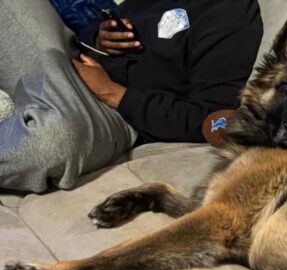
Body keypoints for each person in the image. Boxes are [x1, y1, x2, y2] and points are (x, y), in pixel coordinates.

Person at [0, 0, 263, 192]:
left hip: (112, 115)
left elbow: (210, 119)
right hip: (66, 59)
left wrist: (115, 94)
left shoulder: (234, 14)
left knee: (53, 145)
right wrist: (100, 37)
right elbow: (98, 31)